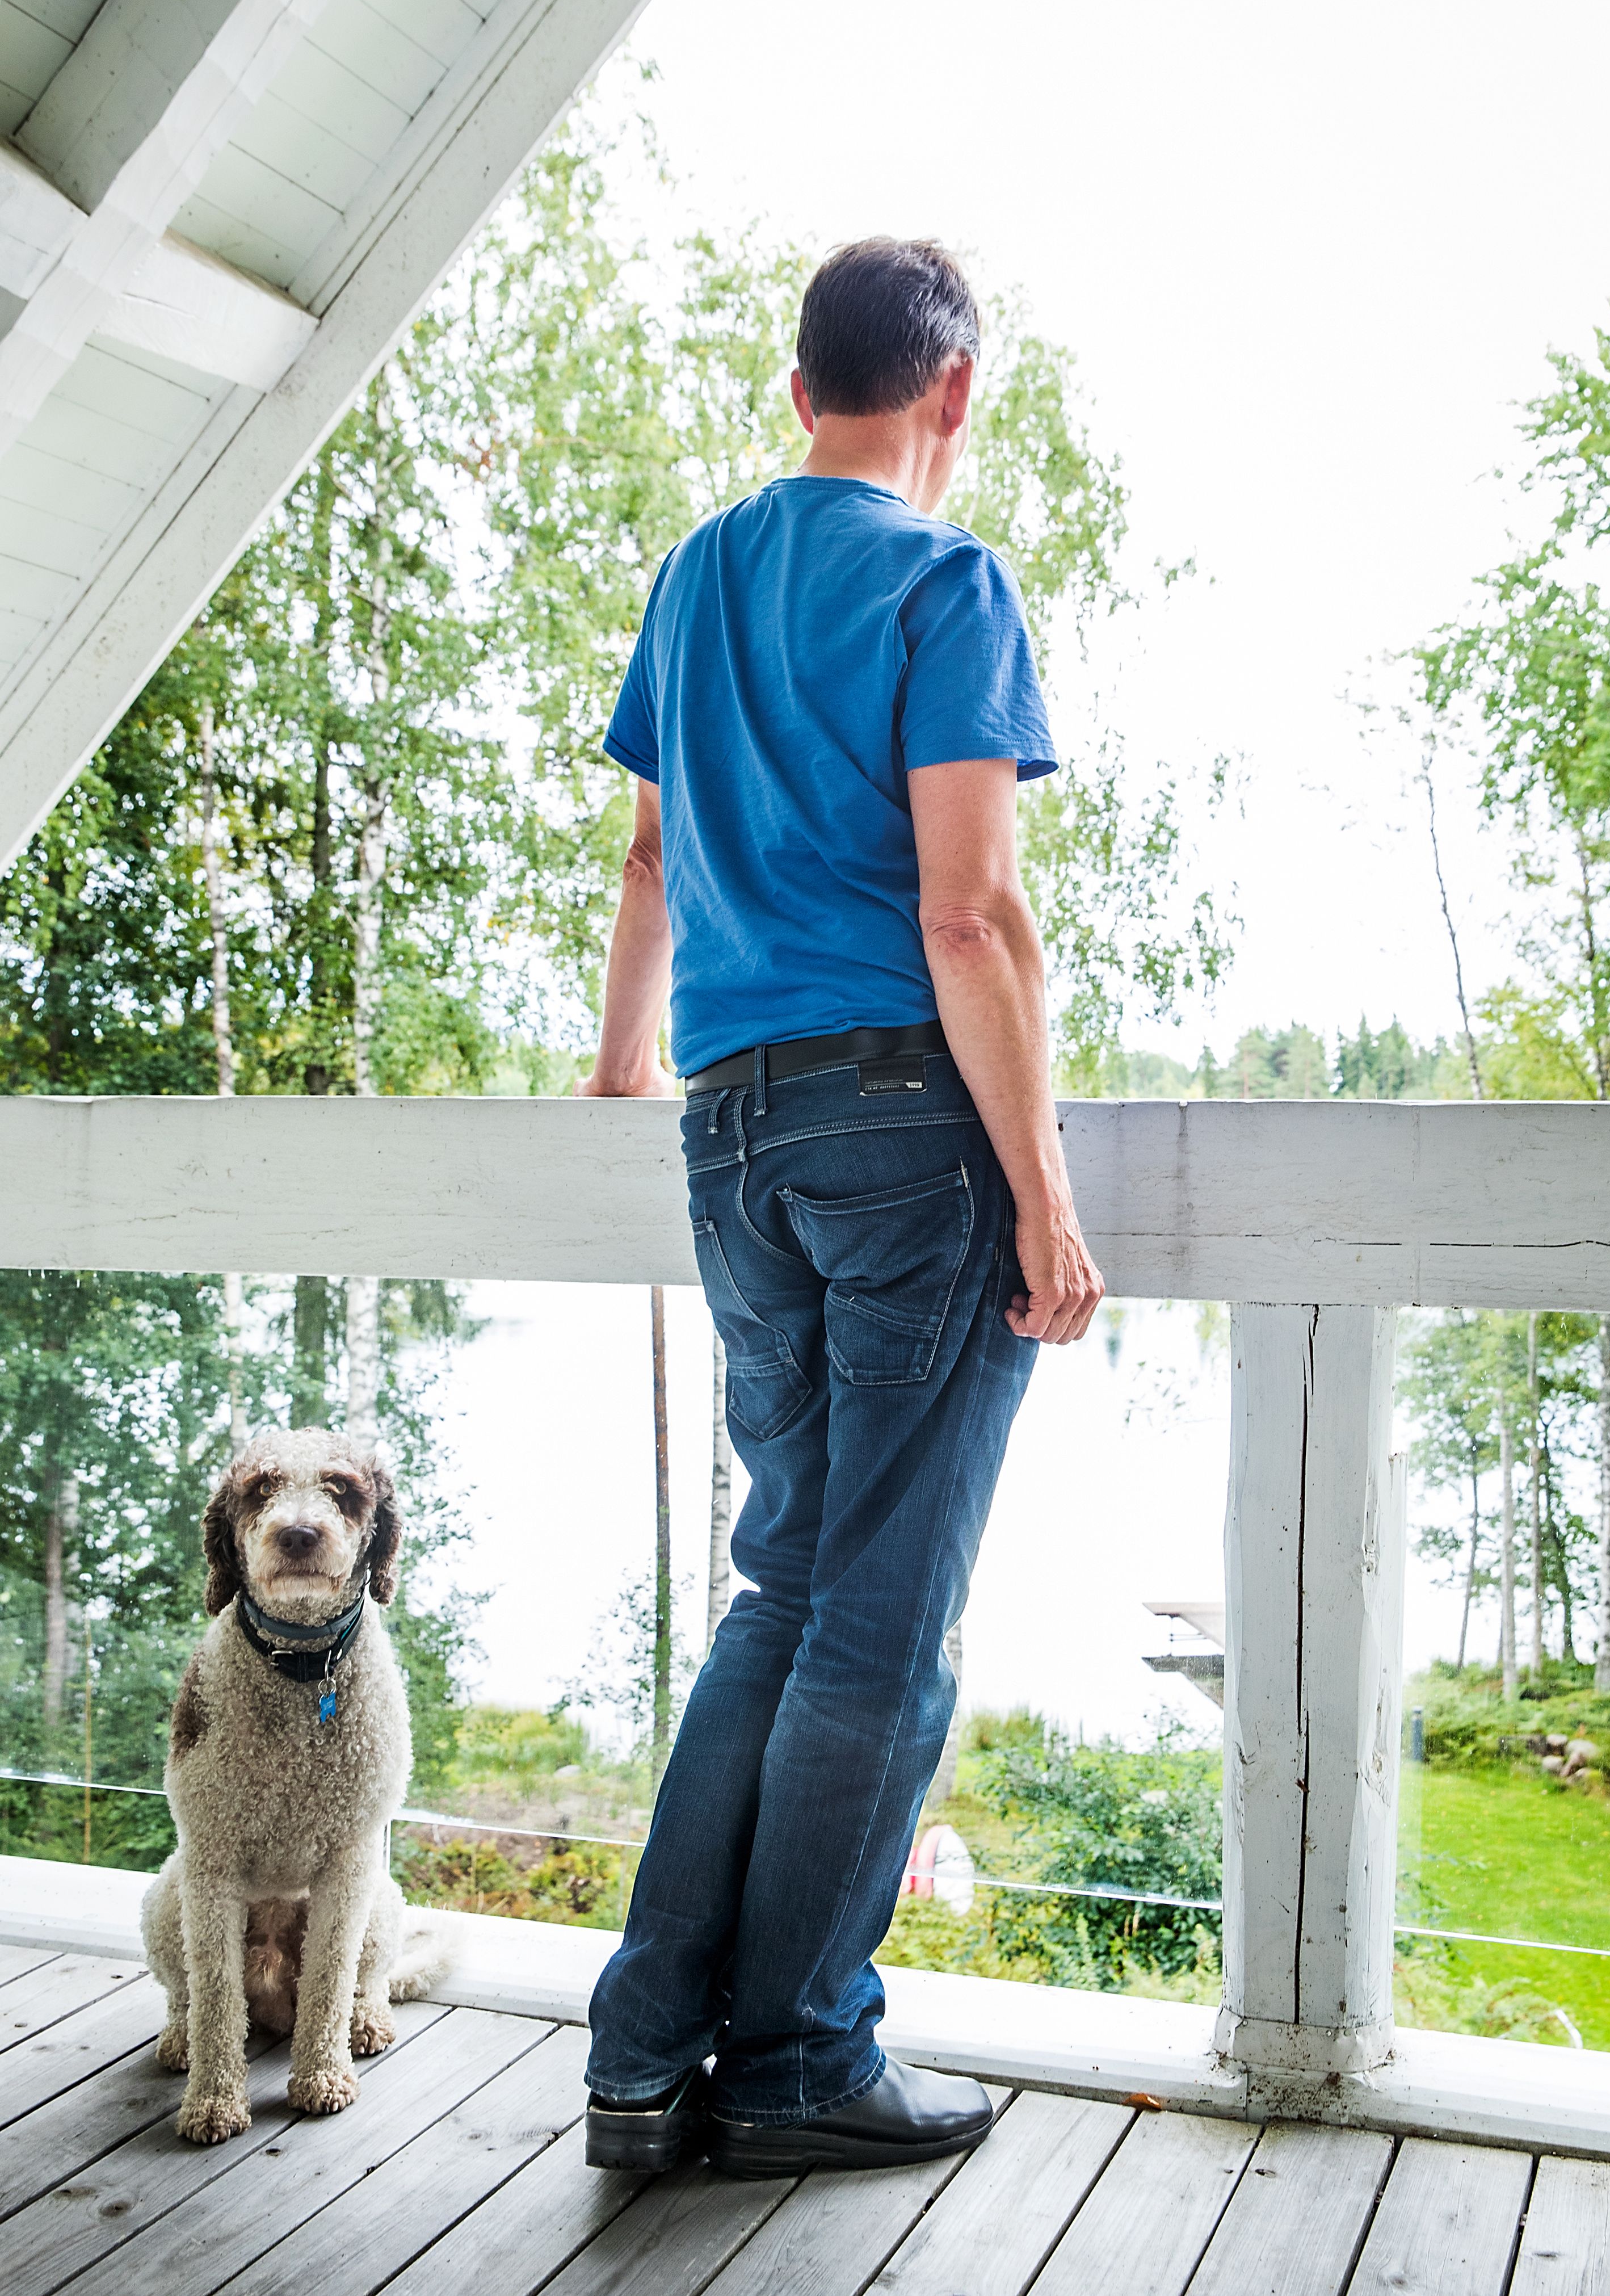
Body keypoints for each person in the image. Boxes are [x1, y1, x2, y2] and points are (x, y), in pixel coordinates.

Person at [576, 237, 1103, 2179]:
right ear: (950, 395)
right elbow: (966, 912)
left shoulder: (697, 574)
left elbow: (650, 856)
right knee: (878, 1618)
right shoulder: (947, 579)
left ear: (805, 389)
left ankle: (644, 2056)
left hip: (733, 1129)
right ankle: (798, 2054)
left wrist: (623, 1070)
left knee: (783, 1588)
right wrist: (1042, 1193)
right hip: (901, 1130)